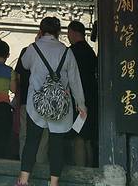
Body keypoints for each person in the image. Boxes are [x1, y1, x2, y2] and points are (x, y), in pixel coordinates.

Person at [15, 17, 86, 186]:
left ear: (41, 30)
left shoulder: (33, 48)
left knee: (32, 141)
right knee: (57, 144)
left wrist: (36, 42)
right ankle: (53, 183)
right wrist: (81, 104)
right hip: (60, 105)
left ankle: (23, 181)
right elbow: (75, 80)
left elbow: (24, 64)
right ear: (59, 32)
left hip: (37, 104)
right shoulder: (66, 51)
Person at [67, 20, 98, 167]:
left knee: (78, 136)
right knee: (87, 139)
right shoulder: (91, 52)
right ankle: (90, 170)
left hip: (78, 101)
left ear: (72, 32)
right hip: (92, 98)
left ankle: (79, 172)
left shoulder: (72, 52)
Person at [14, 46, 30, 157]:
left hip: (25, 98)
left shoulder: (26, 51)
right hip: (45, 102)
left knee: (24, 133)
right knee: (43, 136)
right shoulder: (53, 51)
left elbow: (18, 76)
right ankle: (40, 161)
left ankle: (23, 160)